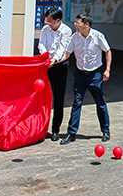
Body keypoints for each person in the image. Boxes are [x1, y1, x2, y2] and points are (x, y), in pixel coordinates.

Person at [59, 14, 111, 145]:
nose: (76, 25)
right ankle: (71, 133)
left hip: (95, 75)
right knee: (77, 103)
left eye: (78, 23)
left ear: (86, 24)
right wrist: (55, 61)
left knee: (100, 102)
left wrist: (107, 69)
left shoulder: (98, 36)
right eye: (75, 23)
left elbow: (107, 51)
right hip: (80, 75)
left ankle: (105, 130)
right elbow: (67, 53)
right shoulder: (75, 37)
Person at [37, 8, 72, 141]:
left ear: (58, 20)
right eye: (47, 22)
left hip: (59, 65)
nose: (48, 24)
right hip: (46, 64)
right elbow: (41, 43)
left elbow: (62, 47)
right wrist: (45, 56)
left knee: (58, 98)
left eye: (50, 22)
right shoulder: (46, 29)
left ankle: (55, 130)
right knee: (42, 96)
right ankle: (40, 128)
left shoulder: (66, 31)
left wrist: (54, 60)